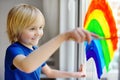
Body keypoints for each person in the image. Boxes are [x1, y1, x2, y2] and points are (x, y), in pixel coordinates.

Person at [5, 3, 99, 80]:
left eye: (40, 27)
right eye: (32, 28)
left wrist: (76, 74)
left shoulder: (35, 50)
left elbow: (49, 72)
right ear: (16, 30)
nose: (38, 33)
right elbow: (27, 66)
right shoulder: (13, 50)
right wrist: (64, 36)